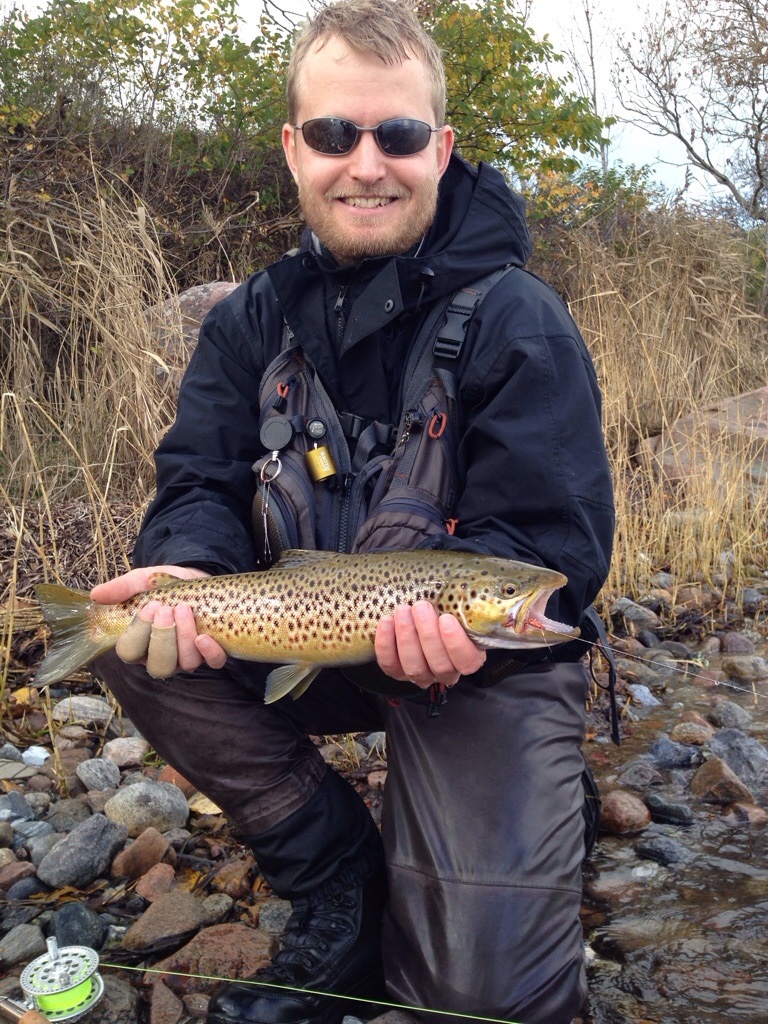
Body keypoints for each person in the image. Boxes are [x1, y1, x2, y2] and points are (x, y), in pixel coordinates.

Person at [93, 1, 615, 1022]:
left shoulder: (520, 320)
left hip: (475, 666)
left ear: (441, 151)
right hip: (304, 632)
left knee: (479, 1002)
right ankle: (336, 869)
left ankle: (540, 795)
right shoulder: (250, 318)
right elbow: (197, 480)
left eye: (399, 134)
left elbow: (553, 544)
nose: (366, 163)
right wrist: (187, 563)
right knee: (131, 627)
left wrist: (471, 633)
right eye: (335, 133)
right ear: (295, 150)